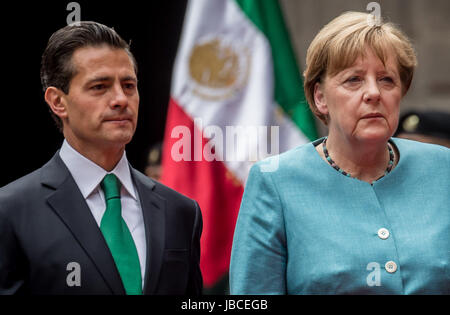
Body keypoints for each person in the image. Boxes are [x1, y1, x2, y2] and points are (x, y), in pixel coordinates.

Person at [230, 12, 449, 294]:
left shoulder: (443, 169)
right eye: (353, 80)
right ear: (320, 98)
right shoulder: (275, 182)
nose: (373, 92)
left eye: (386, 80)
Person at [0, 21, 202, 295]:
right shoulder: (10, 211)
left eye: (129, 85)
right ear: (58, 101)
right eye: (99, 86)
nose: (120, 99)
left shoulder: (181, 212)